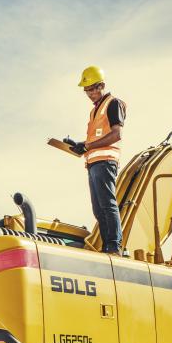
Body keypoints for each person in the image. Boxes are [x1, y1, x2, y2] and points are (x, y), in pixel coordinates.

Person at [64, 65, 126, 255]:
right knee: (98, 209)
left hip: (106, 161)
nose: (90, 93)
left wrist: (88, 146)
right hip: (93, 164)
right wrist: (81, 145)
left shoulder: (114, 103)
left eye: (93, 89)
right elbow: (95, 139)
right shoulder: (94, 111)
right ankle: (107, 246)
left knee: (107, 204)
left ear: (102, 86)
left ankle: (114, 246)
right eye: (87, 90)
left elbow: (116, 135)